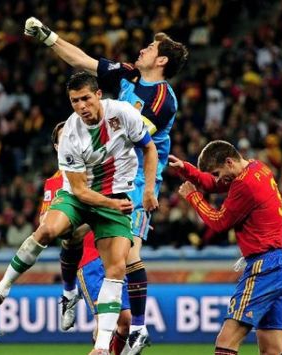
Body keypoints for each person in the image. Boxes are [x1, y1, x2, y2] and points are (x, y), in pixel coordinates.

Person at [24, 17, 188, 352]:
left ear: (162, 61)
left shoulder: (161, 99)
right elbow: (82, 61)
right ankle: (70, 293)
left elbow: (133, 138)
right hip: (108, 175)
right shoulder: (128, 74)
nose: (142, 49)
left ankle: (138, 328)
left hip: (137, 180)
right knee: (68, 230)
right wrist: (48, 37)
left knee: (129, 254)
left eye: (151, 48)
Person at [0, 72, 158, 355]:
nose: (81, 106)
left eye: (85, 98)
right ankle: (2, 288)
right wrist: (111, 206)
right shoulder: (70, 133)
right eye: (74, 101)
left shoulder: (123, 114)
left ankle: (101, 347)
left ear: (98, 95)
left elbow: (149, 147)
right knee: (47, 229)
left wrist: (147, 192)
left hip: (116, 194)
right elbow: (81, 192)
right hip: (83, 197)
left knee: (117, 268)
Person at [168, 140, 282, 355]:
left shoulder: (245, 185)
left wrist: (193, 196)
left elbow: (219, 222)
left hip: (263, 267)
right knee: (272, 349)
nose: (218, 179)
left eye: (217, 172)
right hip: (280, 265)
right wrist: (186, 170)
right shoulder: (257, 168)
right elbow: (214, 184)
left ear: (228, 161)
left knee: (226, 340)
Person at [43, 121, 133, 353]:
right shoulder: (54, 183)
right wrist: (96, 216)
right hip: (90, 260)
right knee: (106, 324)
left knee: (125, 323)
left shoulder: (98, 171)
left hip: (115, 256)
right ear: (56, 147)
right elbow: (49, 226)